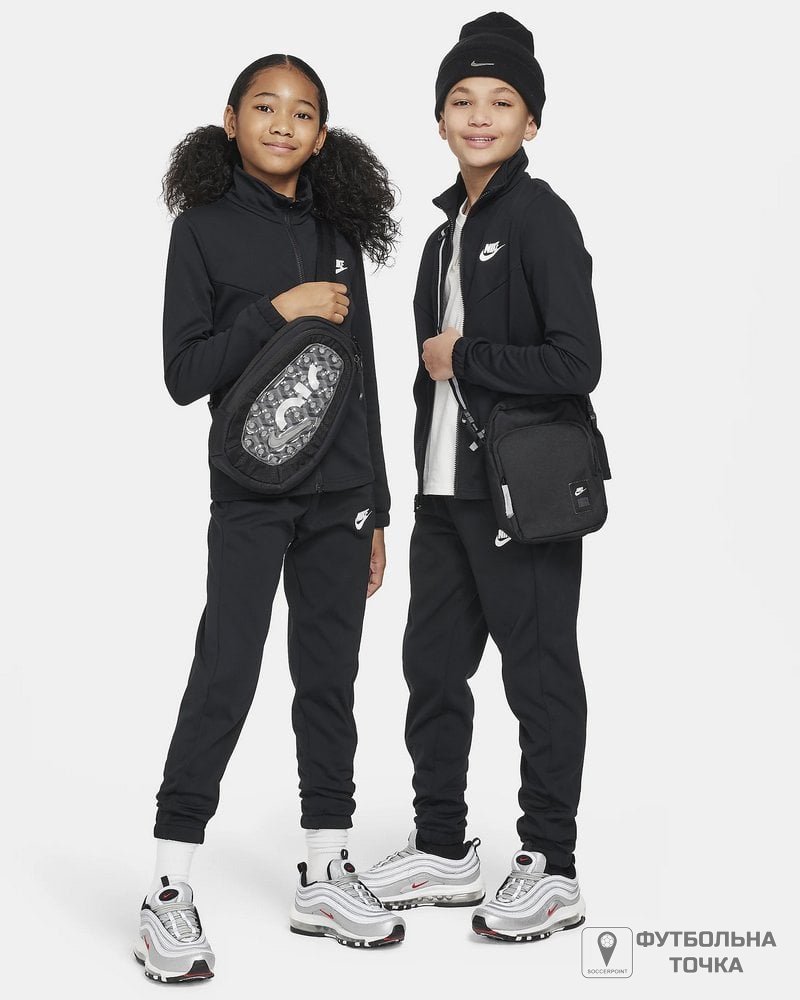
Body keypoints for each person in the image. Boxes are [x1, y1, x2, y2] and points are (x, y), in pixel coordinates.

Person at [134, 54, 404, 982]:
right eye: (265, 106)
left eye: (303, 113)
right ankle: (167, 889)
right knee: (227, 671)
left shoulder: (338, 232)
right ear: (231, 120)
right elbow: (184, 375)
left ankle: (325, 871)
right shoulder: (201, 231)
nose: (283, 124)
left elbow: (363, 376)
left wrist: (377, 506)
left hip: (341, 498)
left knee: (330, 680)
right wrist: (277, 313)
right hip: (250, 492)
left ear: (322, 136)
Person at [360, 12, 602, 943]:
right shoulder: (441, 238)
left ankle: (552, 865)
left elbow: (576, 362)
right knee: (432, 669)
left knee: (538, 675)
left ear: (531, 121)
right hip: (443, 493)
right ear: (439, 119)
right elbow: (428, 382)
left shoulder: (541, 218)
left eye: (502, 102)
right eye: (461, 100)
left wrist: (466, 354)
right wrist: (399, 492)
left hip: (520, 496)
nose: (479, 115)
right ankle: (442, 847)